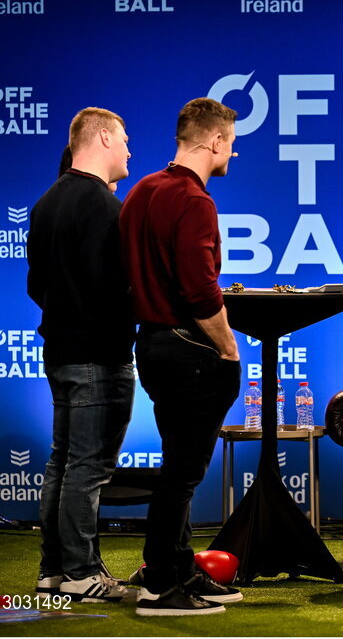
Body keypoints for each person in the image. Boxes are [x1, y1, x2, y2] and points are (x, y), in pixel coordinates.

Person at [119, 97, 243, 617]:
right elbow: (199, 291)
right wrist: (228, 346)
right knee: (183, 474)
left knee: (178, 466)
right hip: (188, 351)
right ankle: (160, 585)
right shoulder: (196, 202)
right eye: (231, 144)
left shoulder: (142, 190)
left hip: (150, 345)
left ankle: (177, 567)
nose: (232, 155)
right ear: (214, 140)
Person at [27, 107, 135, 602]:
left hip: (60, 351)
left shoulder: (46, 202)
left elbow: (36, 286)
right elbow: (113, 288)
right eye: (127, 140)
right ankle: (81, 572)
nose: (131, 150)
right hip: (98, 355)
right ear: (106, 139)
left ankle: (55, 569)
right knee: (88, 468)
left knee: (63, 462)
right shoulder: (106, 208)